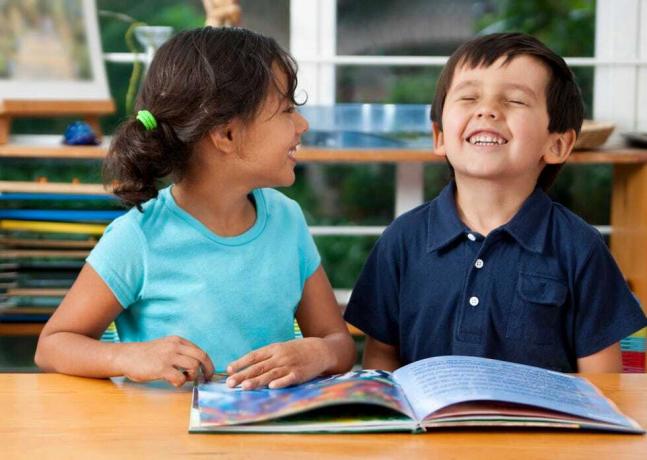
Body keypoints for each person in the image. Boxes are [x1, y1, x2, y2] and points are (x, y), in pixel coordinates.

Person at [35, 27, 356, 389]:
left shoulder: (287, 219)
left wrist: (319, 353)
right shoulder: (139, 235)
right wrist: (127, 356)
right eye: (286, 110)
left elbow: (339, 343)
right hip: (165, 442)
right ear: (226, 135)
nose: (302, 125)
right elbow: (52, 345)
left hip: (267, 438)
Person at [344, 32, 647, 373]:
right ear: (440, 136)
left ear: (558, 145)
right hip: (426, 427)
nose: (487, 110)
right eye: (469, 97)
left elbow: (602, 382)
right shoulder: (401, 240)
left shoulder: (580, 247)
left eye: (514, 101)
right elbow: (382, 358)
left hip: (544, 428)